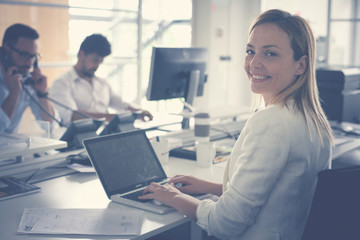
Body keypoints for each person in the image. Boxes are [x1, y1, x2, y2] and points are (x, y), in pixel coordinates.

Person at [139, 9, 333, 240]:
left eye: (270, 54)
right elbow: (280, 194)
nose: (254, 63)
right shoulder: (313, 119)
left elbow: (224, 224)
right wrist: (210, 187)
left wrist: (172, 196)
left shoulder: (273, 121)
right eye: (250, 51)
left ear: (300, 65)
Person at [49, 34, 153, 127]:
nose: (97, 66)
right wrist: (113, 118)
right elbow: (71, 116)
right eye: (94, 60)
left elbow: (121, 104)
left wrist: (139, 112)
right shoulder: (61, 83)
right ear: (81, 54)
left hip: (104, 135)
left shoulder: (102, 83)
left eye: (100, 62)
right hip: (79, 140)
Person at [0, 23, 56, 134]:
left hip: (12, 150)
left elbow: (49, 125)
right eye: (24, 55)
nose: (30, 62)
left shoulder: (26, 80)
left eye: (33, 56)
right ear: (6, 50)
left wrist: (42, 94)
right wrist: (14, 93)